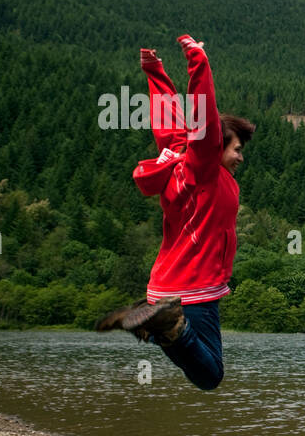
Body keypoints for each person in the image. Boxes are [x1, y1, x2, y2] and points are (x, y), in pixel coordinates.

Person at [95, 35, 253, 390]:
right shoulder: (204, 170)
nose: (241, 157)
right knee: (210, 376)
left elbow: (169, 122)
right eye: (237, 149)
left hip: (164, 285)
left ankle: (152, 322)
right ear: (216, 146)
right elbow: (202, 121)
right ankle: (165, 325)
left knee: (185, 352)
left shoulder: (178, 163)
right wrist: (198, 62)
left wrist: (156, 72)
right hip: (194, 287)